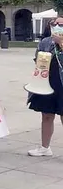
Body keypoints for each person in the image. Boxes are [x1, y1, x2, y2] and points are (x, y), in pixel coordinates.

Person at [28, 16, 63, 157]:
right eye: (54, 24)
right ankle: (45, 147)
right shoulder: (45, 42)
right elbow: (37, 59)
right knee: (47, 116)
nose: (57, 26)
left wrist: (61, 43)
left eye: (60, 24)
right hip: (47, 82)